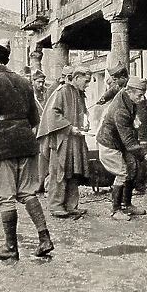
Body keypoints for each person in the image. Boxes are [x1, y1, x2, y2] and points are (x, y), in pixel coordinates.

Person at [0, 41, 53, 260]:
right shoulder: (24, 82)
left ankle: (10, 248)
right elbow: (35, 118)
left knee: (5, 196)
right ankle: (44, 238)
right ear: (6, 59)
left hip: (1, 144)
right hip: (26, 142)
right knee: (27, 192)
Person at [97, 76, 147, 220]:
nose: (142, 98)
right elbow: (129, 141)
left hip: (120, 143)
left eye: (143, 94)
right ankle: (116, 210)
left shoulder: (127, 95)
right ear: (129, 91)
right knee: (122, 172)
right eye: (139, 95)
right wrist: (146, 156)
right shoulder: (120, 111)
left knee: (133, 167)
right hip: (109, 144)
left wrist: (135, 120)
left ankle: (127, 204)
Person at [37, 67, 91, 219]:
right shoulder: (62, 92)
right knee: (59, 172)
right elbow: (53, 114)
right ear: (77, 77)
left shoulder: (79, 94)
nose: (87, 85)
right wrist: (69, 127)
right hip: (62, 140)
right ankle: (55, 205)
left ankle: (71, 205)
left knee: (74, 171)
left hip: (75, 140)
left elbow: (83, 112)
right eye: (85, 81)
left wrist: (86, 119)